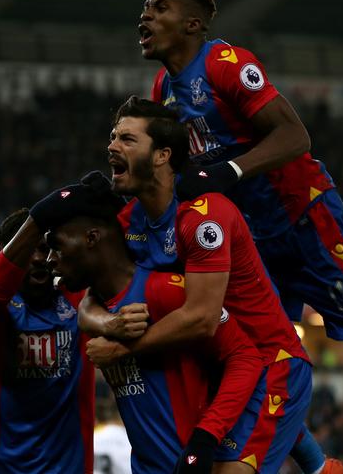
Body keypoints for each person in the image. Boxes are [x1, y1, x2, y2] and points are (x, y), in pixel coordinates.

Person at [139, 0, 343, 372]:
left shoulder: (226, 63)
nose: (146, 16)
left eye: (160, 8)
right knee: (251, 360)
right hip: (253, 241)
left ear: (193, 24)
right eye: (146, 8)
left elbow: (294, 135)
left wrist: (230, 171)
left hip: (302, 218)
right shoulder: (162, 89)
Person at [74, 96, 313, 473]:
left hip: (270, 365)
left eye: (127, 139)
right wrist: (110, 325)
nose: (112, 146)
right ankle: (318, 463)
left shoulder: (204, 216)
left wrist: (123, 348)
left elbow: (202, 318)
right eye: (113, 137)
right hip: (217, 369)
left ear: (162, 155)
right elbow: (90, 301)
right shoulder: (129, 219)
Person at [31, 178, 265, 474]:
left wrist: (206, 437)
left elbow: (246, 358)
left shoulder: (165, 291)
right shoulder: (97, 308)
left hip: (192, 464)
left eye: (57, 246)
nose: (50, 260)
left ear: (91, 238)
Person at [0, 208, 95, 474]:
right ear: (6, 256)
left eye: (46, 248)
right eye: (30, 249)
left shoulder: (77, 298)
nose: (40, 258)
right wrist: (40, 217)